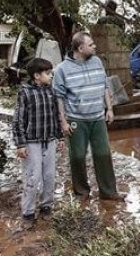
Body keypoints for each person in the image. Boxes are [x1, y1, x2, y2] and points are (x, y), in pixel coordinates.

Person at [52, 32, 124, 201]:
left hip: (98, 117)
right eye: (91, 45)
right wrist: (63, 122)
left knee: (103, 154)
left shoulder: (97, 62)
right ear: (80, 48)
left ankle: (108, 192)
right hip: (76, 119)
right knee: (77, 156)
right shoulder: (62, 69)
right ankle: (82, 192)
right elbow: (59, 97)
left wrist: (109, 109)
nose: (94, 46)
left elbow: (104, 86)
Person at [12, 58, 63, 228]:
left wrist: (60, 137)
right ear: (36, 75)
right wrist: (20, 144)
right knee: (32, 176)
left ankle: (46, 206)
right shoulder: (25, 92)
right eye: (47, 73)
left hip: (49, 140)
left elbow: (55, 115)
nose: (51, 76)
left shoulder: (51, 91)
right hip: (31, 142)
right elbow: (18, 120)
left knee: (49, 175)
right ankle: (28, 212)